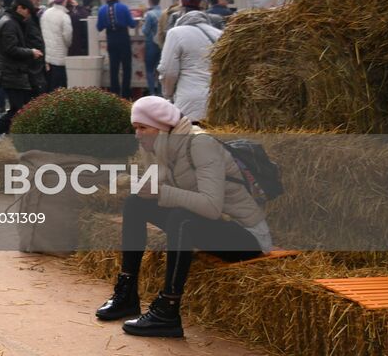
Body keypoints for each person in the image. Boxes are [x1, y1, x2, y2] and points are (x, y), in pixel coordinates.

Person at [95, 96, 270, 337]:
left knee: (180, 217)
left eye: (143, 128)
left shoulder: (201, 145)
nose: (137, 135)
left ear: (164, 127)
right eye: (136, 128)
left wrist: (160, 192)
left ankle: (167, 310)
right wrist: (139, 186)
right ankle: (126, 295)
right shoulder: (159, 147)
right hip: (209, 224)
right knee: (135, 203)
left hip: (245, 235)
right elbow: (162, 189)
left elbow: (211, 207)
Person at [0, 0, 45, 144]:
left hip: (13, 73)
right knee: (17, 111)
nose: (28, 15)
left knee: (19, 110)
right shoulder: (10, 23)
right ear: (19, 7)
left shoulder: (10, 21)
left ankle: (7, 141)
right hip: (11, 74)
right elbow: (10, 49)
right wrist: (31, 52)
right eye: (27, 11)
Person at [157, 0, 222, 121]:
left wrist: (168, 95)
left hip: (188, 103)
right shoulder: (219, 34)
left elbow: (168, 71)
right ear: (203, 11)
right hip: (218, 102)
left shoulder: (175, 33)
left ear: (181, 11)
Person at [97, 0, 138, 97]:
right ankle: (125, 94)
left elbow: (99, 27)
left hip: (111, 39)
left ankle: (114, 93)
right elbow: (132, 24)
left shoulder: (102, 9)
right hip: (123, 38)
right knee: (126, 67)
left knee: (113, 68)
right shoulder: (123, 8)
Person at [40, 0, 73, 92]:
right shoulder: (64, 16)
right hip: (60, 54)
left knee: (50, 83)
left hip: (48, 54)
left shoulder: (45, 13)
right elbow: (67, 36)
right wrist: (68, 45)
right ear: (64, 2)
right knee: (60, 84)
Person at [141, 0, 164, 96]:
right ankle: (160, 93)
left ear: (150, 1)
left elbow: (145, 31)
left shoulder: (149, 14)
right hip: (162, 45)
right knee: (160, 69)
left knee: (150, 70)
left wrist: (142, 24)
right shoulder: (164, 13)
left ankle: (152, 93)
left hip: (151, 44)